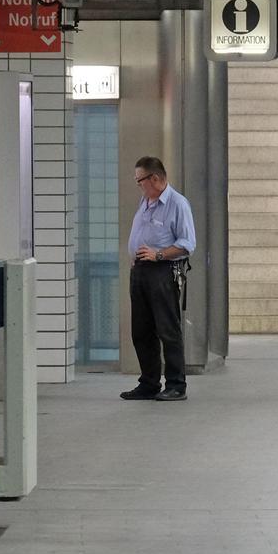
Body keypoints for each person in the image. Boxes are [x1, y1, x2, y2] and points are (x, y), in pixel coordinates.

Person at [123, 156, 196, 402]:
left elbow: (187, 244)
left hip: (163, 271)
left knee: (168, 329)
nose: (139, 186)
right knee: (141, 331)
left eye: (140, 181)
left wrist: (159, 254)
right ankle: (149, 383)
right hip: (141, 272)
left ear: (154, 178)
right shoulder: (145, 201)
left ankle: (176, 384)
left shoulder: (177, 204)